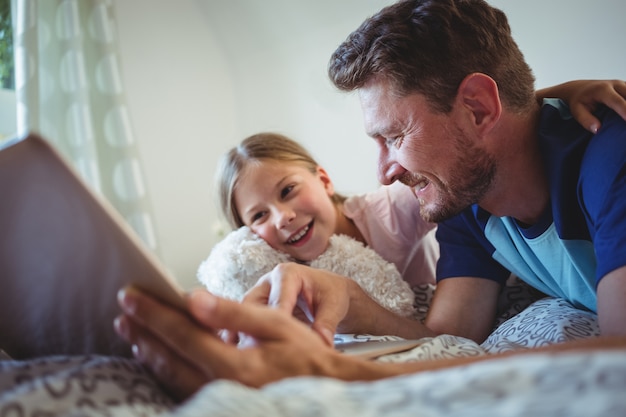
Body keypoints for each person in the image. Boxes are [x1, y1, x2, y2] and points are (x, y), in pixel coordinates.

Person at [114, 0, 626, 400]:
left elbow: (615, 364)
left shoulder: (611, 159)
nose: (384, 171)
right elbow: (451, 339)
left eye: (394, 135)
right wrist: (355, 305)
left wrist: (333, 373)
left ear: (476, 107)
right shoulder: (465, 199)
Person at [210, 131, 438, 289]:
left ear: (324, 180)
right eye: (259, 215)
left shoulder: (388, 210)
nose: (282, 218)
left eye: (287, 190)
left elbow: (456, 192)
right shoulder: (277, 274)